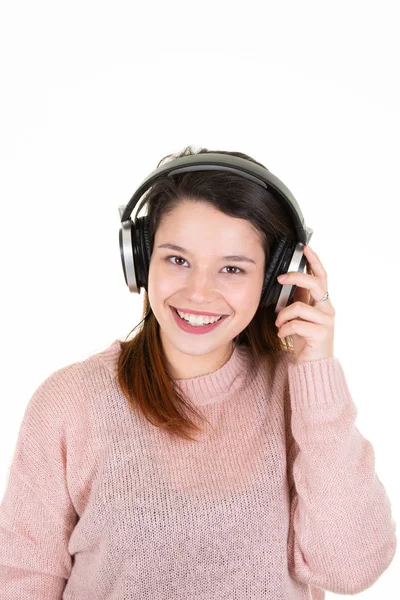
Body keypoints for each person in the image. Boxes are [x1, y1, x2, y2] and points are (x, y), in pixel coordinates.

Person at [0, 145, 396, 599]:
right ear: (140, 260)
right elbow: (23, 577)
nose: (199, 292)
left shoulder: (297, 395)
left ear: (275, 281)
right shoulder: (70, 401)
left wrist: (315, 374)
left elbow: (349, 570)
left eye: (232, 268)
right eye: (178, 260)